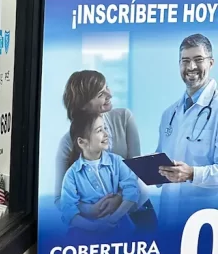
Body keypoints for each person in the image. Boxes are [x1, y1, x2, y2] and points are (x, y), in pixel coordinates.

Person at [55, 71, 144, 221]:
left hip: (136, 211)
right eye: (100, 94)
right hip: (96, 224)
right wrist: (90, 210)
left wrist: (120, 199)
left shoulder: (124, 118)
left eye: (107, 87)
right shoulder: (67, 143)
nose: (110, 94)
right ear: (83, 105)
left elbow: (138, 170)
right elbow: (60, 198)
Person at [157, 34, 218, 224]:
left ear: (211, 63)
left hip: (206, 221)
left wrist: (192, 173)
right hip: (168, 217)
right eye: (185, 61)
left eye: (198, 60)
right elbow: (162, 157)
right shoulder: (169, 114)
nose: (191, 67)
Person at [60, 115, 140, 231]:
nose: (106, 134)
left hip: (122, 230)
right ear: (82, 142)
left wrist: (113, 218)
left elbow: (132, 190)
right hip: (86, 237)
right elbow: (68, 212)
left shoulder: (117, 162)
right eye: (99, 130)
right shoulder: (71, 175)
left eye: (105, 128)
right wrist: (95, 227)